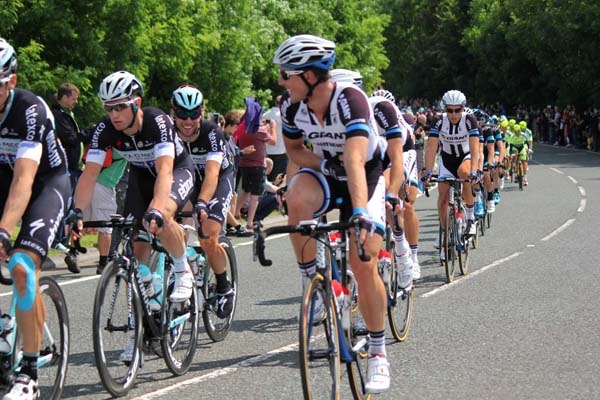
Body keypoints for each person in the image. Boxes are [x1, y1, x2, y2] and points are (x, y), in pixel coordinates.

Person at [273, 34, 391, 394]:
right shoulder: (292, 108)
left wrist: (358, 213)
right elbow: (294, 149)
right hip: (330, 172)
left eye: (286, 73)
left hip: (365, 177)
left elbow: (355, 159)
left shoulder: (350, 101)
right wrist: (322, 161)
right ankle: (313, 280)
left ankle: (378, 351)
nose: (281, 81)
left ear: (310, 75)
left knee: (363, 258)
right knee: (296, 199)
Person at [71, 71, 195, 360]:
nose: (113, 114)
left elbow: (165, 171)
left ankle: (181, 267)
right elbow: (90, 175)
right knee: (137, 247)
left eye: (120, 107)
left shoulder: (157, 122)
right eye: (108, 107)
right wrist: (76, 212)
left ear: (136, 103)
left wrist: (156, 208)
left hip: (176, 171)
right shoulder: (105, 130)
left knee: (161, 216)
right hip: (140, 177)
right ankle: (141, 326)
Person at [0, 38, 71, 400]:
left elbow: (24, 181)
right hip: (3, 181)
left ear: (10, 82)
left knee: (23, 268)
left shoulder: (30, 109)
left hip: (45, 184)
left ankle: (29, 373)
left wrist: (2, 231)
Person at [170, 84, 235, 318]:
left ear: (202, 112)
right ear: (173, 113)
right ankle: (182, 275)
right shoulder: (167, 132)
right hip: (187, 181)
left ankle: (223, 285)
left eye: (194, 114)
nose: (188, 121)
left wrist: (203, 202)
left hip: (216, 181)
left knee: (207, 237)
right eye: (182, 114)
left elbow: (212, 174)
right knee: (176, 233)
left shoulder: (211, 133)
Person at [422, 89, 480, 262]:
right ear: (444, 109)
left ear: (463, 108)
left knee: (464, 173)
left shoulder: (469, 120)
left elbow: (475, 147)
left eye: (457, 110)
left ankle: (470, 217)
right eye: (450, 110)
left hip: (465, 157)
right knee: (442, 198)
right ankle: (445, 233)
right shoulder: (439, 121)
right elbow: (431, 147)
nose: (454, 114)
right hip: (446, 160)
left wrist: (474, 171)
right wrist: (427, 171)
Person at [64, 145, 127, 274]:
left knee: (80, 220)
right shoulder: (123, 145)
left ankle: (72, 253)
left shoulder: (99, 141)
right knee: (106, 227)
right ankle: (103, 264)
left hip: (85, 181)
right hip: (105, 185)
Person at [234, 98, 276, 234]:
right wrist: (272, 128)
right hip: (258, 166)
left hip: (244, 164)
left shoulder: (243, 129)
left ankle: (236, 212)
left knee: (245, 191)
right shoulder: (260, 131)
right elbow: (273, 142)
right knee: (255, 195)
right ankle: (250, 222)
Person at [252, 157, 286, 225]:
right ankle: (256, 218)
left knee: (274, 195)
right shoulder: (261, 175)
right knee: (276, 197)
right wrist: (284, 184)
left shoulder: (258, 173)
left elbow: (268, 186)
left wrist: (275, 183)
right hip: (252, 203)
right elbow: (275, 190)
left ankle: (255, 217)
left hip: (253, 201)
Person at [264, 95, 288, 182]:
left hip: (269, 151)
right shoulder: (284, 116)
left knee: (269, 177)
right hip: (281, 151)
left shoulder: (266, 114)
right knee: (279, 179)